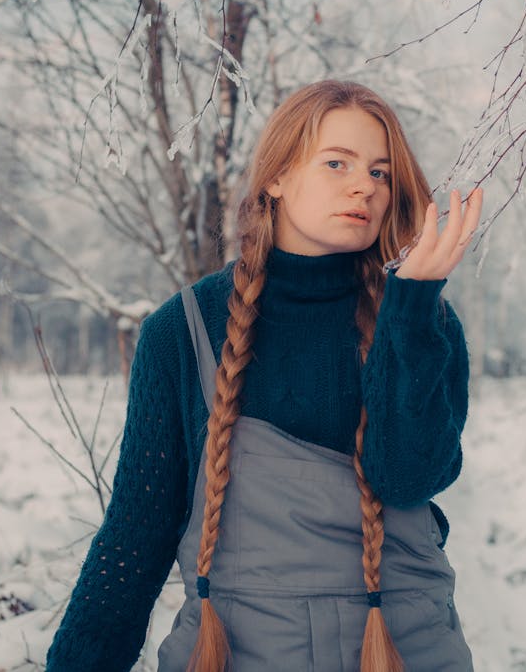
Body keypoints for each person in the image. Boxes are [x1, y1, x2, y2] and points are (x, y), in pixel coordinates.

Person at [45, 79, 483, 672]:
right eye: (338, 163)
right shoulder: (184, 330)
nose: (364, 186)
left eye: (381, 173)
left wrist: (414, 306)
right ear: (275, 177)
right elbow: (135, 537)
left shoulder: (421, 322)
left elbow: (408, 476)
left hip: (405, 652)